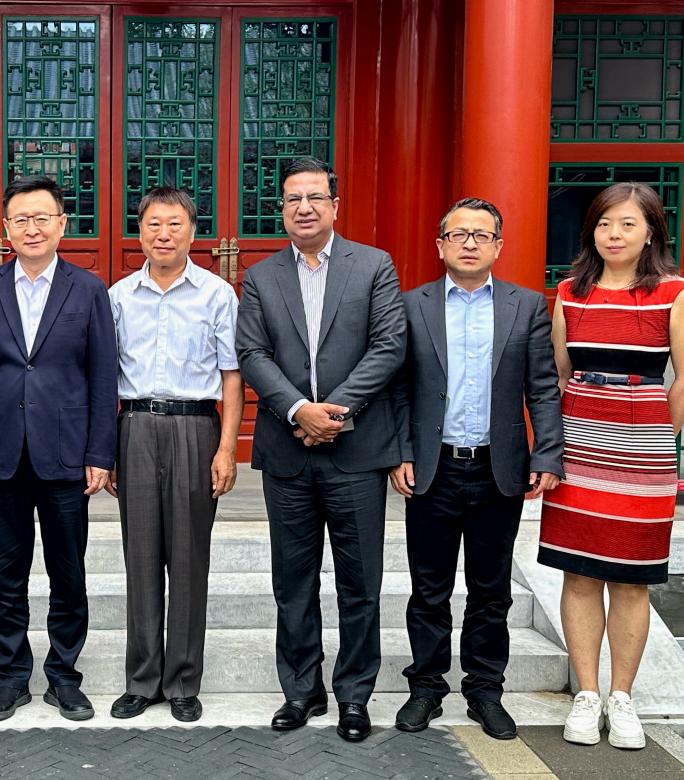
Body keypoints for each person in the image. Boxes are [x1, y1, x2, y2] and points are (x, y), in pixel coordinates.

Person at [235, 157, 406, 742]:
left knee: (359, 583)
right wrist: (297, 410)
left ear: (335, 205)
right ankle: (301, 691)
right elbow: (252, 353)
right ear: (282, 209)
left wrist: (334, 411)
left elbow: (389, 346)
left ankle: (354, 695)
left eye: (314, 197)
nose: (303, 208)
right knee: (293, 581)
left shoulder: (374, 266)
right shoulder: (261, 276)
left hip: (356, 453)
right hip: (288, 453)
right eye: (292, 199)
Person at [388, 198, 564, 740]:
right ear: (440, 245)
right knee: (429, 589)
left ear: (498, 246)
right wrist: (401, 451)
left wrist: (547, 453)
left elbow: (542, 386)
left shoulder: (525, 306)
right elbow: (397, 387)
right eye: (458, 234)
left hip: (497, 469)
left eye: (481, 235)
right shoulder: (412, 305)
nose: (469, 243)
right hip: (433, 468)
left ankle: (485, 691)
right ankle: (426, 687)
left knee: (491, 590)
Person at [540, 182, 684, 751]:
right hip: (580, 447)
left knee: (632, 580)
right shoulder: (571, 292)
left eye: (628, 224)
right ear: (592, 231)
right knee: (580, 574)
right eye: (605, 224)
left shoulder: (674, 293)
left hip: (643, 453)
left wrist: (656, 438)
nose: (614, 234)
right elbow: (559, 373)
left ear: (651, 231)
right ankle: (586, 694)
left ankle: (622, 696)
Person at [0, 174, 118, 723]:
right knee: (7, 575)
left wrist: (100, 454)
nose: (32, 228)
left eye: (42, 218)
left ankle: (64, 677)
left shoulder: (88, 289)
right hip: (0, 453)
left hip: (67, 455)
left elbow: (103, 378)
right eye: (21, 219)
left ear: (62, 224)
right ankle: (11, 678)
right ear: (6, 228)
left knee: (68, 574)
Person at [106, 186, 244, 723]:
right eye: (154, 225)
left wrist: (227, 448)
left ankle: (184, 680)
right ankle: (142, 679)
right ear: (139, 232)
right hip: (135, 426)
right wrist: (106, 450)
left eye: (175, 224)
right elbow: (103, 379)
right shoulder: (119, 296)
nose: (164, 234)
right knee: (140, 558)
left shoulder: (217, 295)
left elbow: (231, 378)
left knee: (188, 559)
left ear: (193, 231)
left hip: (195, 428)